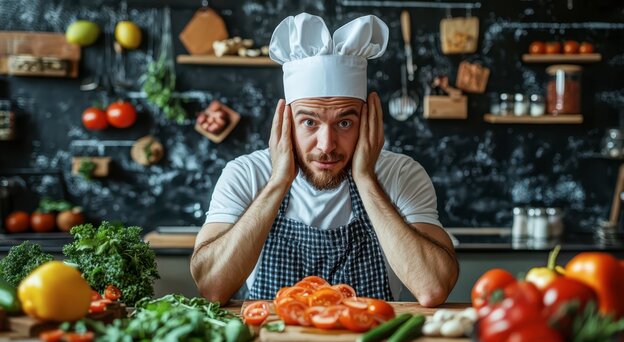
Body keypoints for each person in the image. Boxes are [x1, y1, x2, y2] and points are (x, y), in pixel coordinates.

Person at [190, 13, 459, 307]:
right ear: (286, 121)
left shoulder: (401, 174)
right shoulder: (246, 174)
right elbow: (212, 287)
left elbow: (432, 288)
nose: (326, 145)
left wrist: (367, 179)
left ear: (368, 120)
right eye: (309, 122)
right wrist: (278, 182)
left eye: (344, 123)